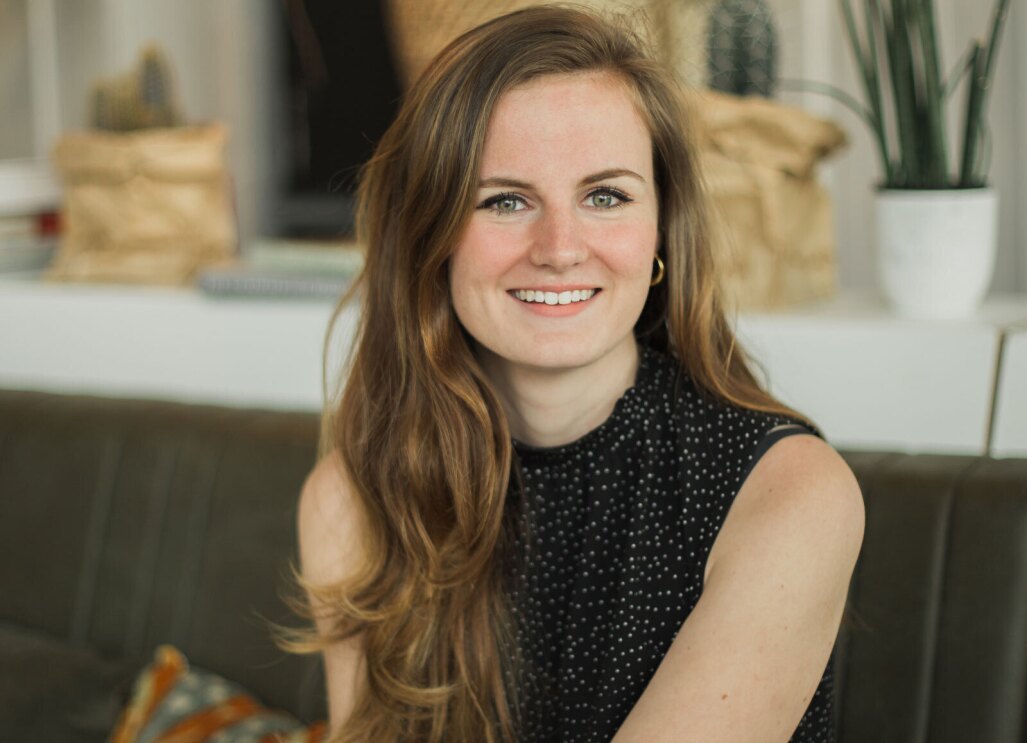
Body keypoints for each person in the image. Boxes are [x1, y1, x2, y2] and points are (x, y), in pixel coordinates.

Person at [290, 5, 864, 742]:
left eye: (605, 196)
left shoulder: (787, 494)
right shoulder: (352, 498)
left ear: (662, 229)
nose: (559, 248)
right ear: (429, 238)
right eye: (504, 199)